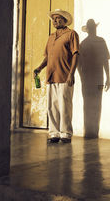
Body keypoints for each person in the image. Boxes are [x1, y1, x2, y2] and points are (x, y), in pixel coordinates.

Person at [34, 9, 79, 143]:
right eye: (53, 19)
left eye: (58, 18)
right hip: (51, 76)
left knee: (65, 105)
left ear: (65, 20)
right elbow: (47, 57)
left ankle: (66, 133)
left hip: (65, 75)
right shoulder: (51, 37)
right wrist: (40, 68)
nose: (55, 21)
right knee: (52, 106)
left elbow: (76, 54)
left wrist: (72, 73)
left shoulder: (71, 34)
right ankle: (54, 133)